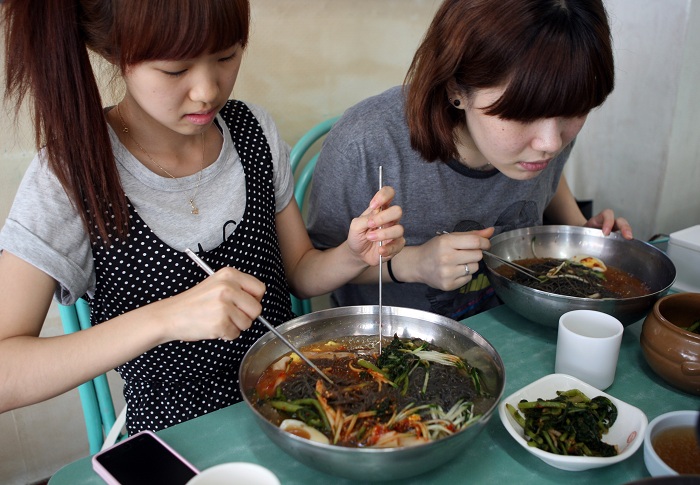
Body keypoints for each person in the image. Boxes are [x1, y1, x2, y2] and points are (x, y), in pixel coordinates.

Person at [0, 0, 403, 435]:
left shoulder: (254, 133)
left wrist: (352, 254)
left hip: (295, 410)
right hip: (178, 436)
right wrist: (167, 317)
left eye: (226, 56)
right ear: (115, 52)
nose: (207, 90)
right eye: (175, 70)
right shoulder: (70, 174)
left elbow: (300, 272)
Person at [307, 0, 633, 320]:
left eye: (574, 111)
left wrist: (580, 230)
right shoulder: (367, 145)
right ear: (456, 89)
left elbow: (548, 178)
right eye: (523, 115)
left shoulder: (545, 143)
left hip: (514, 324)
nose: (551, 143)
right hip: (394, 347)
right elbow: (313, 269)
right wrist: (414, 262)